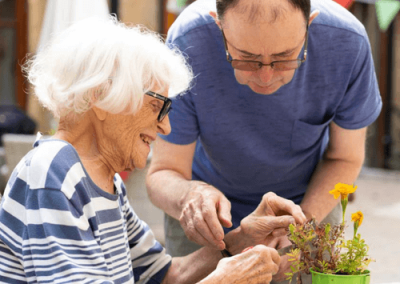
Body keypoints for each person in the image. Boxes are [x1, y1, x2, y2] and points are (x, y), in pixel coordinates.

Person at [0, 16, 307, 284]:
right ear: (102, 96)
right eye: (157, 106)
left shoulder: (106, 182)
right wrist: (225, 279)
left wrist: (240, 240)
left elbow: (164, 275)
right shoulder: (53, 171)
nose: (166, 127)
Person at [146, 0, 382, 282]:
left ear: (309, 25)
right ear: (218, 26)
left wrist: (301, 225)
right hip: (208, 216)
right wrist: (189, 197)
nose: (266, 77)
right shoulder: (188, 39)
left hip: (308, 204)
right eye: (247, 58)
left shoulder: (347, 42)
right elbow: (163, 172)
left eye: (284, 58)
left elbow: (345, 158)